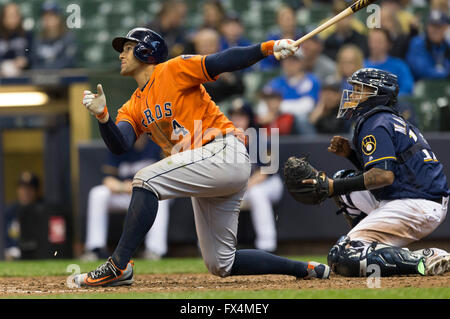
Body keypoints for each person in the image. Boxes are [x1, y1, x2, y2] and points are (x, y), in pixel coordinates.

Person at [76, 27, 330, 287]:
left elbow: (222, 60)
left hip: (222, 150)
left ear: (146, 51)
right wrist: (103, 118)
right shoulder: (133, 104)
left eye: (128, 48)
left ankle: (118, 265)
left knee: (145, 180)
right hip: (207, 168)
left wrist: (267, 48)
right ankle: (305, 268)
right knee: (222, 263)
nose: (121, 54)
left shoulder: (172, 70)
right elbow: (120, 144)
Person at [308, 68, 450, 277]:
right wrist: (350, 156)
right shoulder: (386, 118)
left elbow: (384, 176)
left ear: (377, 93)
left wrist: (331, 187)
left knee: (344, 255)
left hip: (418, 203)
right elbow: (388, 171)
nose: (353, 95)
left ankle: (425, 258)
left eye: (359, 90)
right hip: (412, 196)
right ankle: (372, 245)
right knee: (343, 183)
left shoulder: (376, 122)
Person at [81, 135, 171, 261]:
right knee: (98, 193)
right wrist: (124, 187)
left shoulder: (157, 144)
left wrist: (138, 185)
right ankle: (95, 248)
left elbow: (167, 176)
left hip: (149, 194)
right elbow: (108, 180)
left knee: (161, 200)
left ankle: (154, 250)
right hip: (125, 194)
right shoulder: (120, 145)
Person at [228, 99, 283, 252]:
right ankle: (217, 247)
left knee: (257, 193)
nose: (237, 120)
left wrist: (241, 188)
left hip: (269, 184)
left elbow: (264, 173)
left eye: (241, 116)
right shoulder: (227, 141)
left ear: (249, 118)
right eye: (234, 116)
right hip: (242, 186)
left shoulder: (260, 138)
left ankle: (267, 245)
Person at [264, 49, 321, 136]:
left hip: (300, 121)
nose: (289, 64)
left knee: (301, 119)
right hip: (279, 121)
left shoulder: (310, 80)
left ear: (301, 63)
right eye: (285, 60)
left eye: (293, 61)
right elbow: (262, 105)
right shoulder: (275, 82)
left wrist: (278, 108)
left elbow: (307, 105)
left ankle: (312, 147)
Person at [193, 27, 244, 103]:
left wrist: (229, 79)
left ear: (218, 45)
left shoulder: (227, 62)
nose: (207, 48)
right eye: (203, 45)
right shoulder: (190, 64)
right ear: (197, 47)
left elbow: (241, 90)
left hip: (223, 106)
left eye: (210, 44)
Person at [364, 28, 414, 96]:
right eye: (372, 41)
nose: (375, 45)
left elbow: (408, 89)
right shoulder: (362, 65)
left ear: (388, 44)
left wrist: (389, 98)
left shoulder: (399, 66)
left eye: (379, 41)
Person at [3, 172, 42, 260]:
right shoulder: (9, 211)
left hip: (36, 255)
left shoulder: (42, 210)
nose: (25, 192)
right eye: (22, 188)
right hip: (12, 255)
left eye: (29, 189)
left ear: (36, 191)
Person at [30, 2, 77, 70]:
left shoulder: (68, 38)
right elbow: (34, 63)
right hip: (40, 79)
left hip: (64, 78)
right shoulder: (38, 39)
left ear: (58, 17)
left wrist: (48, 70)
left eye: (51, 15)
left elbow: (69, 62)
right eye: (45, 15)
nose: (47, 18)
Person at [406, 11, 449, 80]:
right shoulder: (417, 43)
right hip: (422, 87)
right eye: (432, 26)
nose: (435, 30)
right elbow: (421, 70)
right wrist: (446, 74)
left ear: (445, 28)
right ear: (427, 27)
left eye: (439, 27)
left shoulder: (447, 45)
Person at [259, 5, 304, 70]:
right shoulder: (272, 38)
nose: (288, 22)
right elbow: (268, 60)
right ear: (278, 21)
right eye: (285, 19)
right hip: (276, 71)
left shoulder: (301, 37)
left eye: (291, 18)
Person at [0, 2, 32, 77]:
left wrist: (25, 60)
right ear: (3, 18)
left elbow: (32, 55)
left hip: (23, 77)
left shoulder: (27, 35)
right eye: (10, 16)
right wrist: (4, 64)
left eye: (15, 15)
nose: (13, 19)